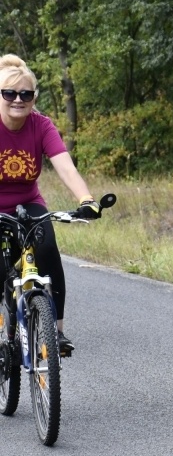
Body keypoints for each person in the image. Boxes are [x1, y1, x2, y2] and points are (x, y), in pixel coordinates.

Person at [0, 53, 101, 354]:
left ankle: (56, 331)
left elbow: (66, 167)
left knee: (47, 250)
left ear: (33, 98)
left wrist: (86, 199)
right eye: (9, 93)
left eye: (25, 94)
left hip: (28, 202)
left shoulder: (41, 126)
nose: (18, 99)